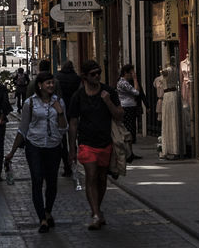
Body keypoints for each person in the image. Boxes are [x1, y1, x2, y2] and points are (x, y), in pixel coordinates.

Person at [5, 69, 68, 232]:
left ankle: (48, 211)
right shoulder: (30, 103)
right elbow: (23, 129)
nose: (51, 85)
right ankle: (42, 219)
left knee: (52, 183)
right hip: (34, 146)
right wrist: (11, 152)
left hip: (54, 146)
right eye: (48, 83)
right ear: (40, 85)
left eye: (52, 82)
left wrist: (60, 113)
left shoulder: (59, 102)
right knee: (37, 180)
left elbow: (63, 129)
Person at [67, 60, 123, 230]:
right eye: (93, 74)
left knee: (101, 178)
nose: (97, 76)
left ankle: (96, 210)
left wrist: (108, 102)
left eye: (99, 72)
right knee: (91, 175)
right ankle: (96, 213)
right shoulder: (78, 96)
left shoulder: (109, 92)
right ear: (84, 76)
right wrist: (72, 149)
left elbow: (120, 115)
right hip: (86, 143)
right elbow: (73, 123)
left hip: (105, 142)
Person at [55, 59, 80, 177]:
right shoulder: (76, 78)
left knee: (63, 140)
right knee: (73, 137)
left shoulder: (58, 77)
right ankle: (74, 160)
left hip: (62, 109)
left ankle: (67, 166)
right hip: (74, 109)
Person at [155, 66, 182, 160]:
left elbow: (164, 72)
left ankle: (173, 149)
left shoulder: (168, 70)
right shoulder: (173, 70)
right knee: (170, 120)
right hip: (171, 96)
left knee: (171, 121)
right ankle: (171, 148)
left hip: (169, 96)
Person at [116, 64, 141, 162]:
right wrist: (135, 79)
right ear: (126, 73)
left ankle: (130, 152)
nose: (132, 75)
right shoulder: (123, 83)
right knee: (128, 130)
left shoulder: (124, 82)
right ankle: (128, 153)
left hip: (129, 106)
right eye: (131, 73)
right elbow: (136, 92)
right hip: (127, 107)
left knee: (130, 130)